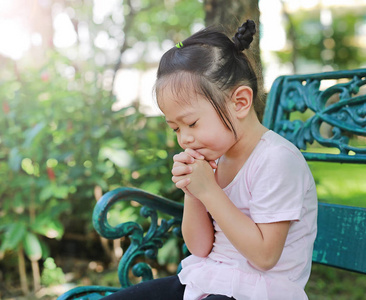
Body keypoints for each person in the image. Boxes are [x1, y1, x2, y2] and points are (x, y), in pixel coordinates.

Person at [103, 20, 317, 300]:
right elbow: (200, 248)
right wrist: (194, 192)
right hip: (207, 283)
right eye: (176, 128)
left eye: (191, 123)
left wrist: (209, 191)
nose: (184, 139)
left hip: (259, 291)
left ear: (239, 102)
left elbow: (265, 257)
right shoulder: (215, 157)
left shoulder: (276, 160)